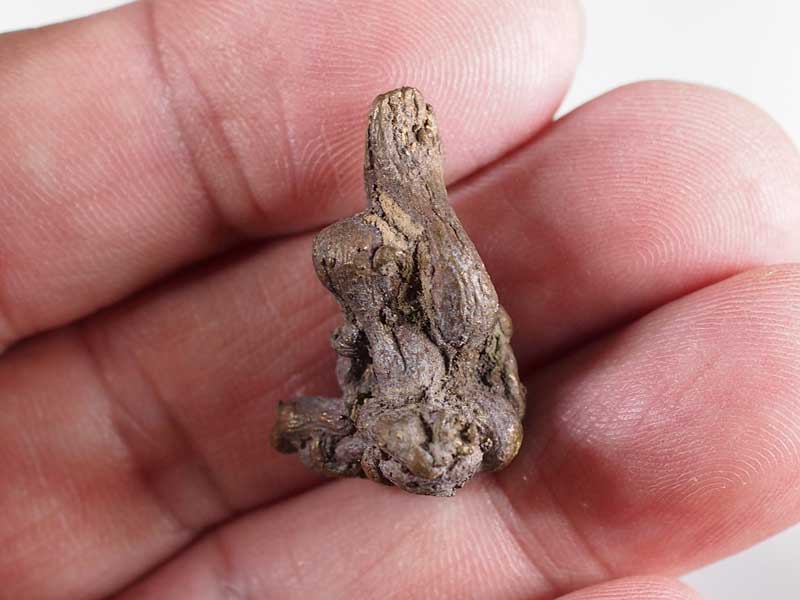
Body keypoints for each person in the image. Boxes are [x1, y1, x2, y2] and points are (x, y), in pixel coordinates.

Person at [1, 1, 798, 599]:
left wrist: (406, 201)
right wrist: (341, 404)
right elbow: (336, 406)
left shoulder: (447, 332)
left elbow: (412, 355)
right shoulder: (421, 338)